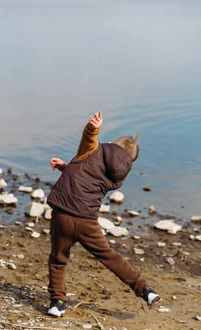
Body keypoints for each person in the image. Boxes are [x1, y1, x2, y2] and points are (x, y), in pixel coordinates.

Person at [45, 111, 161, 317]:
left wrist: (93, 127)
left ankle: (58, 302)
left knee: (58, 258)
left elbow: (89, 138)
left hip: (62, 214)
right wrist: (66, 167)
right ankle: (145, 289)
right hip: (87, 222)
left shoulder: (93, 150)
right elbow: (89, 180)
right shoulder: (118, 176)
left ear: (110, 143)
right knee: (108, 256)